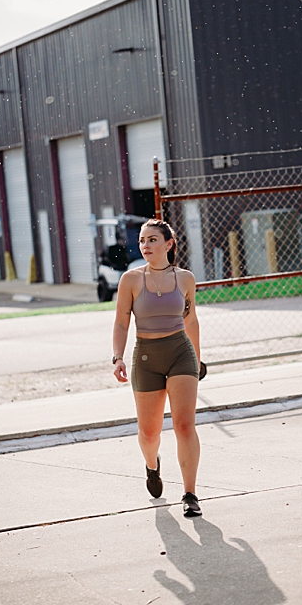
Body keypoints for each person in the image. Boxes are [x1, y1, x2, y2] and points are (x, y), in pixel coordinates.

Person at [111, 219, 204, 518]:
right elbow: (122, 322)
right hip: (146, 357)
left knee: (184, 425)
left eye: (152, 240)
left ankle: (190, 494)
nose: (146, 246)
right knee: (149, 433)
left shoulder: (186, 279)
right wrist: (118, 357)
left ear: (169, 243)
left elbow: (191, 320)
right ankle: (152, 465)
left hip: (180, 353)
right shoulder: (131, 280)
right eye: (142, 241)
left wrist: (198, 360)